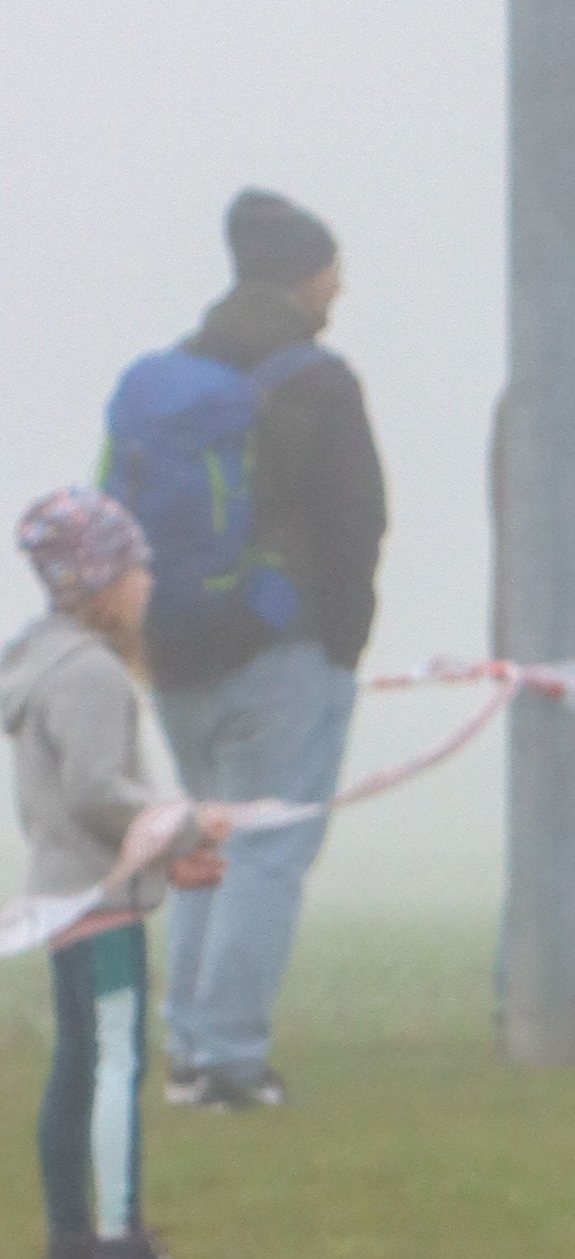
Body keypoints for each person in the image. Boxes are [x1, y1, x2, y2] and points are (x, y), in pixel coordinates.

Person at [103, 187, 387, 1114]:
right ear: (306, 276)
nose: (338, 286)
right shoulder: (319, 380)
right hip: (281, 648)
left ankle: (190, 1051)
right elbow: (356, 520)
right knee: (267, 851)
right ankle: (230, 1059)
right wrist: (343, 638)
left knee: (204, 847)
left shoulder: (179, 373)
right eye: (333, 269)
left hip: (177, 649)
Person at [6, 489, 221, 1259]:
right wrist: (186, 828)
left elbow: (79, 803)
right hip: (99, 906)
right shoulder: (92, 672)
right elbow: (99, 791)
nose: (149, 581)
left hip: (65, 897)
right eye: (136, 567)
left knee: (77, 1066)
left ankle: (69, 1250)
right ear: (100, 580)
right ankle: (119, 1246)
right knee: (115, 1067)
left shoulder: (42, 664)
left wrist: (167, 858)